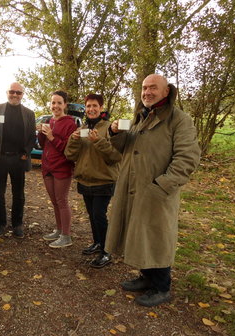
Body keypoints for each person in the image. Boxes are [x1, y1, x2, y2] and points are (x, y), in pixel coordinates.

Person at [105, 74, 201, 307]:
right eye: (144, 88)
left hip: (157, 191)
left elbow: (187, 158)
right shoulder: (141, 117)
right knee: (141, 234)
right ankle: (146, 277)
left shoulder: (179, 119)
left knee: (157, 237)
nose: (147, 92)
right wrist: (115, 133)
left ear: (166, 91)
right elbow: (126, 149)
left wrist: (162, 186)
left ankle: (162, 287)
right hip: (134, 188)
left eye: (153, 88)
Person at [65, 94, 122, 267]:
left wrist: (98, 141)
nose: (91, 109)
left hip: (104, 180)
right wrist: (73, 140)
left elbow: (115, 156)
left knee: (99, 215)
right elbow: (70, 155)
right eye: (88, 106)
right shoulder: (81, 129)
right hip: (85, 179)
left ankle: (106, 251)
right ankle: (97, 243)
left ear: (101, 108)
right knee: (92, 215)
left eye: (94, 106)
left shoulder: (109, 128)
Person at [0, 82, 36, 238]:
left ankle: (17, 224)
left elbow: (32, 136)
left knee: (18, 194)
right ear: (7, 92)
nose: (15, 95)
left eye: (18, 93)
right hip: (0, 158)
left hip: (19, 158)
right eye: (12, 92)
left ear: (22, 95)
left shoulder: (28, 113)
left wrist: (26, 151)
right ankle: (0, 223)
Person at [37, 91, 77, 248]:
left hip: (62, 168)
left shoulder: (70, 124)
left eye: (59, 103)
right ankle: (59, 230)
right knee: (54, 202)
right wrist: (42, 133)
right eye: (53, 103)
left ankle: (66, 236)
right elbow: (43, 145)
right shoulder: (50, 121)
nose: (56, 106)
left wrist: (52, 136)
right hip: (47, 168)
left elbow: (68, 150)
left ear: (65, 105)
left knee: (62, 201)